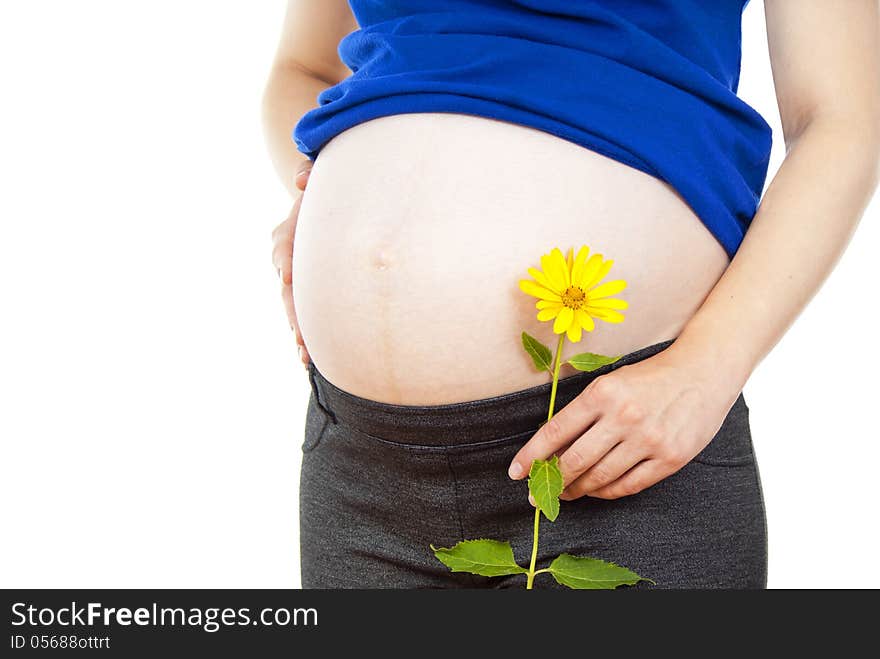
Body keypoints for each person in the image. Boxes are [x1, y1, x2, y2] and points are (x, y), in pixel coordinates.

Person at [263, 0, 879, 588]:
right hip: (362, 469)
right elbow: (303, 67)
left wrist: (709, 368)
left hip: (619, 454)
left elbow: (844, 117)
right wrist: (319, 197)